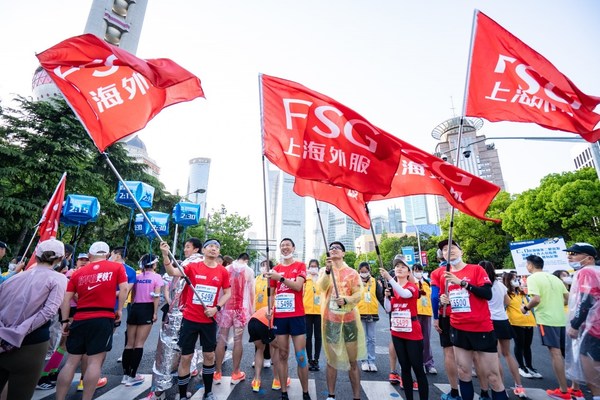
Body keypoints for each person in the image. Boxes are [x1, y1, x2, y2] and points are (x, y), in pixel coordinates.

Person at [55, 241, 128, 400]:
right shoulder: (117, 268)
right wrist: (120, 310)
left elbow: (66, 299)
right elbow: (124, 288)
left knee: (71, 362)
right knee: (94, 362)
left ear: (89, 255)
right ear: (107, 255)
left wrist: (65, 321)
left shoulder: (78, 273)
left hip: (80, 318)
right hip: (103, 318)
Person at [161, 238, 231, 400]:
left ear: (219, 252)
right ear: (203, 250)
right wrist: (165, 255)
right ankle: (182, 394)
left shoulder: (222, 271)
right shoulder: (193, 267)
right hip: (190, 319)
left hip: (209, 321)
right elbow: (172, 272)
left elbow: (228, 293)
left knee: (209, 356)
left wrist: (216, 308)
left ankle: (208, 392)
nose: (213, 249)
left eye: (216, 247)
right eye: (210, 246)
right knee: (186, 357)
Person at [439, 239, 508, 400]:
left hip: (481, 328)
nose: (449, 251)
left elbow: (487, 294)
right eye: (445, 250)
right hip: (458, 328)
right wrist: (443, 301)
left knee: (493, 376)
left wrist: (462, 283)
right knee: (463, 372)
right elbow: (449, 301)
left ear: (461, 252)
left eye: (452, 247)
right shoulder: (444, 276)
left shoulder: (476, 269)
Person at [0, 238, 68, 399]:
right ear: (60, 259)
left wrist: (5, 332)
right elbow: (49, 311)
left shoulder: (13, 278)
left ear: (36, 255)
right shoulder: (58, 279)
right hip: (32, 343)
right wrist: (20, 331)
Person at [148, 238, 204, 400]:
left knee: (169, 351)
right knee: (184, 352)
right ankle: (178, 388)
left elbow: (173, 274)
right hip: (187, 314)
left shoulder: (193, 263)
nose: (185, 249)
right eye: (185, 246)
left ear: (196, 249)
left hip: (180, 315)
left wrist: (165, 255)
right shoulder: (196, 263)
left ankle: (160, 389)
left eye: (188, 247)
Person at [317, 241, 365, 400]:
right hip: (331, 321)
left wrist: (346, 300)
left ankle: (356, 396)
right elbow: (321, 287)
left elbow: (358, 294)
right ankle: (331, 395)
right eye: (331, 248)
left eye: (337, 248)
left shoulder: (352, 273)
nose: (334, 249)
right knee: (331, 360)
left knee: (353, 361)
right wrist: (328, 271)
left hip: (349, 321)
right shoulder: (324, 271)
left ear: (343, 253)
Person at [265, 238, 310, 399]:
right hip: (280, 317)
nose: (285, 248)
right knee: (282, 355)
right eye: (282, 245)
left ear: (293, 248)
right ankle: (284, 392)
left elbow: (298, 286)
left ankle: (305, 392)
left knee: (301, 356)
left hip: (297, 316)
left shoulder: (300, 265)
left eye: (288, 245)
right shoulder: (275, 269)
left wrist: (280, 278)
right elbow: (271, 293)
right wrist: (269, 309)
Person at [520, 254, 570, 400]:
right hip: (561, 319)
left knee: (555, 354)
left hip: (547, 319)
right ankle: (575, 388)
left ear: (530, 265)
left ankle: (563, 390)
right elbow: (567, 298)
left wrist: (525, 308)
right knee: (566, 354)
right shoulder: (555, 278)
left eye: (527, 264)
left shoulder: (532, 278)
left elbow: (536, 299)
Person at [381, 258, 428, 400]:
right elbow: (388, 309)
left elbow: (405, 294)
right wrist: (387, 297)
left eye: (403, 266)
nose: (399, 268)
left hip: (412, 333)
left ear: (408, 272)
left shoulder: (412, 286)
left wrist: (389, 278)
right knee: (405, 368)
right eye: (397, 266)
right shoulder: (393, 289)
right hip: (397, 333)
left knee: (418, 368)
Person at [479, 261, 527, 399]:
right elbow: (507, 302)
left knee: (494, 356)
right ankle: (519, 386)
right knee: (507, 354)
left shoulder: (481, 286)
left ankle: (501, 388)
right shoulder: (500, 285)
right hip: (503, 320)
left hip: (488, 321)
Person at [121, 254, 164, 386]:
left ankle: (125, 375)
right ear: (154, 265)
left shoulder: (137, 276)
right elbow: (156, 296)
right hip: (147, 308)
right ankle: (132, 376)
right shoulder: (157, 277)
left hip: (135, 308)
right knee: (139, 344)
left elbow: (132, 294)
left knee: (129, 344)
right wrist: (155, 312)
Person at [564, 243, 600, 400]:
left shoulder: (586, 271)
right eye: (569, 253)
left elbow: (585, 300)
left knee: (590, 367)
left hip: (592, 327)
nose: (570, 256)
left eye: (574, 253)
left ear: (589, 258)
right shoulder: (597, 271)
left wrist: (575, 324)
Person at [215, 252, 255, 385]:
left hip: (226, 309)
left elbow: (220, 290)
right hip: (240, 310)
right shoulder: (249, 271)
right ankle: (235, 373)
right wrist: (251, 311)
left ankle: (217, 373)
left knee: (221, 340)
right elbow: (251, 292)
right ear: (246, 260)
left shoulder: (226, 269)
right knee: (238, 341)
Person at [430, 249, 461, 400]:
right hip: (466, 314)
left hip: (446, 314)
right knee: (472, 354)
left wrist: (436, 317)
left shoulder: (437, 273)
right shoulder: (467, 270)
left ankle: (454, 391)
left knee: (449, 352)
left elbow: (435, 297)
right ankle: (484, 392)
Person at [502, 271, 541, 379]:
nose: (517, 281)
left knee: (527, 346)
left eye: (517, 278)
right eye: (513, 279)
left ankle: (529, 367)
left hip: (528, 321)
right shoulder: (506, 294)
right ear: (508, 281)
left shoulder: (522, 293)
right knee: (519, 345)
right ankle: (521, 367)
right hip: (516, 322)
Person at [248, 306, 283, 392]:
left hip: (252, 322)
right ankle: (277, 380)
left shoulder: (270, 307)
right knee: (277, 347)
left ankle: (256, 381)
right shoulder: (280, 311)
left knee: (260, 349)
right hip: (264, 323)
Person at [357, 261, 382, 372]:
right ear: (359, 271)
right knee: (362, 338)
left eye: (366, 271)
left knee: (371, 339)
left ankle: (371, 361)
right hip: (360, 313)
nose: (364, 273)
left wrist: (388, 308)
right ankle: (364, 361)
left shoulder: (374, 281)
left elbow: (380, 296)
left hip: (372, 313)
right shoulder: (355, 281)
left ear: (369, 271)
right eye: (362, 271)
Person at [412, 263, 436, 375]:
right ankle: (418, 363)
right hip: (415, 313)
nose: (418, 272)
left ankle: (429, 363)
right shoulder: (411, 283)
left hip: (426, 312)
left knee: (426, 339)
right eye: (416, 270)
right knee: (416, 340)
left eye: (420, 270)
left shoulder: (427, 282)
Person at [304, 258, 323, 371]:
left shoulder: (322, 279)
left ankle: (316, 359)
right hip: (307, 312)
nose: (313, 268)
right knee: (308, 337)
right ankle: (310, 359)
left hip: (319, 312)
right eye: (311, 266)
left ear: (318, 267)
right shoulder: (305, 280)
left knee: (318, 337)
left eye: (315, 266)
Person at [254, 259, 273, 369]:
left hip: (268, 311)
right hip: (257, 311)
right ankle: (257, 357)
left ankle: (267, 358)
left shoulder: (272, 278)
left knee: (268, 336)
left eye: (266, 265)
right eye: (262, 265)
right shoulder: (257, 279)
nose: (264, 267)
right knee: (257, 336)